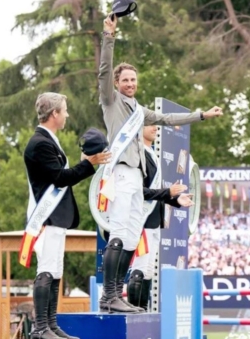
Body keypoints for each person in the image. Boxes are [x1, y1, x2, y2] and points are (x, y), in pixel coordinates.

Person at [98, 15, 224, 313]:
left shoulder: (139, 110)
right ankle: (108, 296)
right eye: (125, 80)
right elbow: (103, 70)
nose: (130, 84)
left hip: (135, 178)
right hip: (119, 172)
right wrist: (109, 35)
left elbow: (168, 119)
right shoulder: (111, 101)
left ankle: (117, 294)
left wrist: (201, 115)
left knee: (130, 236)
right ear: (117, 83)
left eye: (133, 79)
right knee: (119, 234)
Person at [24, 92, 111, 339]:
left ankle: (51, 323)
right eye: (64, 110)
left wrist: (86, 163)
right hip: (47, 216)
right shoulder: (40, 143)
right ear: (54, 114)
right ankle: (41, 328)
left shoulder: (49, 140)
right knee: (47, 270)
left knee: (56, 271)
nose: (67, 115)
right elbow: (60, 178)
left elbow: (61, 176)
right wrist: (89, 164)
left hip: (57, 216)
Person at [126, 126, 194, 311]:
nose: (156, 128)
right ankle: (134, 312)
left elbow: (157, 193)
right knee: (140, 269)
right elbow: (139, 191)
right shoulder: (135, 155)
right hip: (141, 219)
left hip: (154, 219)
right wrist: (168, 192)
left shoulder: (152, 154)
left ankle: (142, 312)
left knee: (148, 270)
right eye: (150, 124)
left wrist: (175, 199)